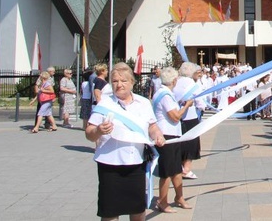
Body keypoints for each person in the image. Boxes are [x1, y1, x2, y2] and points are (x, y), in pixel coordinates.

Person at [86, 63, 165, 221]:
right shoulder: (104, 104)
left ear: (132, 82)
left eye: (123, 81)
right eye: (115, 81)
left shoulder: (143, 103)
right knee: (110, 212)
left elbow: (152, 126)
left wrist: (158, 135)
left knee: (137, 209)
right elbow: (89, 134)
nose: (119, 85)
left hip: (135, 164)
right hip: (110, 166)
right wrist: (99, 130)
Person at [152, 66, 194, 213]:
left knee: (176, 169)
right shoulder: (165, 95)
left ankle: (179, 197)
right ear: (174, 80)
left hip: (173, 136)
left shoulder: (165, 93)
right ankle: (162, 201)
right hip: (166, 136)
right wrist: (187, 106)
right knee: (167, 171)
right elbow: (175, 116)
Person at [173, 62, 202, 179]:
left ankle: (179, 166)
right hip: (190, 116)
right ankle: (186, 169)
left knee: (179, 141)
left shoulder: (175, 82)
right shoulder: (193, 84)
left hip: (176, 116)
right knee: (191, 142)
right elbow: (200, 101)